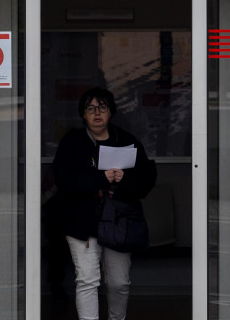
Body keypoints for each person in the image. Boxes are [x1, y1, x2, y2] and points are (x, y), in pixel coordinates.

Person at [53, 87, 156, 320]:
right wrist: (100, 179)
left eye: (102, 107)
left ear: (111, 112)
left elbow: (146, 180)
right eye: (90, 108)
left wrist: (124, 179)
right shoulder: (73, 142)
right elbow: (64, 180)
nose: (97, 113)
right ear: (83, 114)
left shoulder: (127, 140)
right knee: (88, 280)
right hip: (82, 223)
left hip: (119, 221)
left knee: (119, 282)